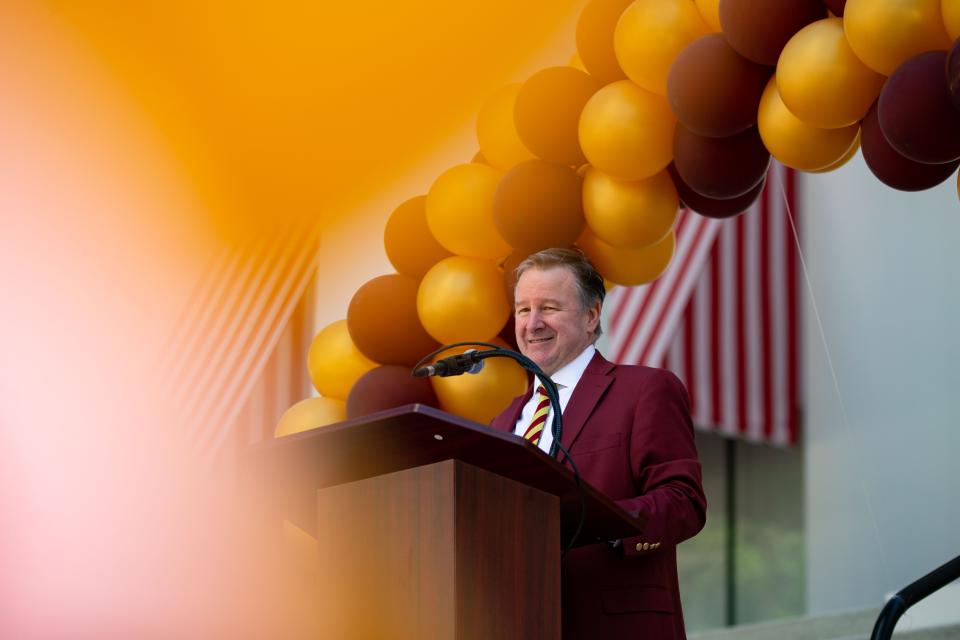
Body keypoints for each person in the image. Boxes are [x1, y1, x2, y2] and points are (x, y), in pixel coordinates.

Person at [490, 247, 707, 640]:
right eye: (523, 310)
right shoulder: (502, 421)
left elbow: (684, 502)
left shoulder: (644, 390)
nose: (533, 323)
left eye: (549, 308)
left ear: (591, 316)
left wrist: (601, 522)